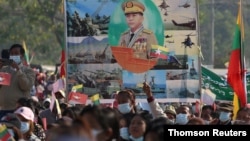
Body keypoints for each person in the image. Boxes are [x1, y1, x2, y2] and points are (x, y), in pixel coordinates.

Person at [0, 43, 36, 119]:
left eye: (16, 53)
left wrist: (18, 70)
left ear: (22, 56)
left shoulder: (28, 71)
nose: (13, 55)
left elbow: (26, 86)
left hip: (19, 111)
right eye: (12, 53)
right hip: (3, 109)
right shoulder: (4, 70)